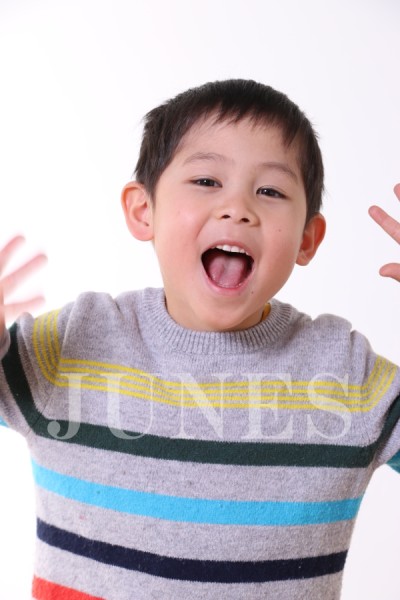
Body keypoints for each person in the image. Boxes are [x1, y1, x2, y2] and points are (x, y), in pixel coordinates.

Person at [0, 79, 399, 600]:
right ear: (143, 210)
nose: (238, 208)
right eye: (207, 180)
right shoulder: (76, 339)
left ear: (307, 238)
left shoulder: (344, 370)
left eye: (271, 191)